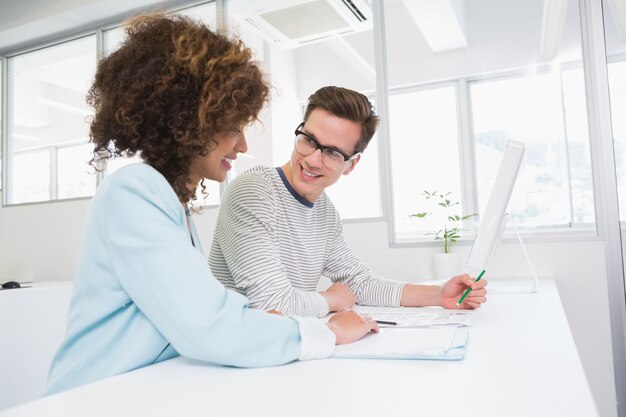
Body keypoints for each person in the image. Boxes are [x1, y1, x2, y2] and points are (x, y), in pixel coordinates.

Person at [46, 15, 378, 395]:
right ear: (190, 121)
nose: (243, 146)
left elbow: (198, 315)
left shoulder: (170, 203)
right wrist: (327, 332)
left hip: (142, 388)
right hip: (87, 398)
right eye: (234, 127)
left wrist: (259, 324)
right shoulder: (133, 191)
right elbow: (206, 326)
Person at [209, 86, 488, 318]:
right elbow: (271, 305)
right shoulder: (253, 191)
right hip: (238, 356)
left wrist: (438, 294)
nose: (312, 160)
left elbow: (359, 283)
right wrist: (330, 300)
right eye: (308, 140)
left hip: (283, 347)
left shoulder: (325, 211)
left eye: (332, 153)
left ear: (351, 165)